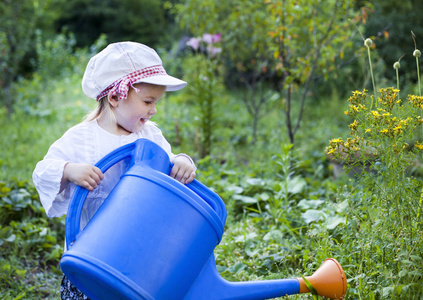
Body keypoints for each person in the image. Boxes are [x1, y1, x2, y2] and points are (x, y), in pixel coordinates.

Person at [32, 41, 196, 300]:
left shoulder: (150, 135)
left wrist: (183, 160)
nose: (154, 110)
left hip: (139, 251)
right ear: (115, 97)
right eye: (148, 101)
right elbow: (42, 170)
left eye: (156, 102)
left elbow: (169, 160)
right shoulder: (81, 138)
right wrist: (68, 169)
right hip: (91, 252)